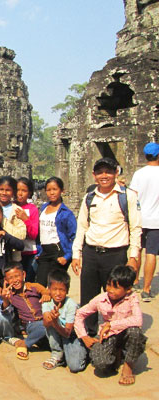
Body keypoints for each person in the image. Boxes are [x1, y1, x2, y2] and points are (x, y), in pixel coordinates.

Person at [72, 157, 142, 336]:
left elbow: (135, 228)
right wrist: (76, 254)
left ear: (116, 173)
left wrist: (133, 256)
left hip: (116, 254)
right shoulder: (89, 198)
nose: (104, 175)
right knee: (88, 298)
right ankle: (88, 336)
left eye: (108, 171)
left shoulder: (128, 196)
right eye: (100, 172)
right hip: (91, 253)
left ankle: (115, 337)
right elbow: (82, 227)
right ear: (94, 175)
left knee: (117, 299)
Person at [74, 265, 147, 386]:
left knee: (135, 332)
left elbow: (138, 320)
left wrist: (111, 324)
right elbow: (80, 314)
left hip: (126, 334)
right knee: (100, 364)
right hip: (109, 336)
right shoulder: (101, 299)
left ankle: (128, 368)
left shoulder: (132, 298)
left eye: (116, 287)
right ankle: (117, 353)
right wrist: (83, 336)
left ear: (128, 289)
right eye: (108, 285)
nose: (110, 290)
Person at [129, 142, 159, 301]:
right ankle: (147, 289)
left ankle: (135, 281)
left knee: (137, 250)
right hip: (156, 221)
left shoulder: (139, 174)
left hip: (139, 218)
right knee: (151, 253)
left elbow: (133, 196)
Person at [2, 262, 50, 361]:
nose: (15, 280)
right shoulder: (10, 295)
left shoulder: (34, 286)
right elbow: (5, 309)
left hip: (43, 319)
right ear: (6, 280)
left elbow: (45, 291)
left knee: (49, 337)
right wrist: (5, 298)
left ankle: (34, 341)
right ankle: (25, 344)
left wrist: (46, 294)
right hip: (30, 324)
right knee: (44, 326)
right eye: (10, 278)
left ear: (23, 274)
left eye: (17, 276)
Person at [41, 269, 87, 372]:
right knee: (50, 325)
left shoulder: (71, 305)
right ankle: (57, 353)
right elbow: (45, 324)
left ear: (67, 290)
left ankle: (80, 351)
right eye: (54, 289)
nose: (58, 293)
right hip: (57, 332)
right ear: (49, 289)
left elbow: (67, 333)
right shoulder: (47, 302)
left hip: (71, 335)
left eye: (62, 290)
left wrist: (55, 321)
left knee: (75, 366)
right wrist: (52, 320)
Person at [36, 177, 77, 287]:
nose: (51, 193)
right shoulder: (43, 208)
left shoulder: (66, 213)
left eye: (55, 189)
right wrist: (39, 252)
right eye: (48, 190)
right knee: (40, 285)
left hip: (58, 251)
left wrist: (67, 256)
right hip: (44, 251)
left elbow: (74, 236)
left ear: (62, 191)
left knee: (55, 286)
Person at [0, 176, 27, 261]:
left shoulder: (17, 211)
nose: (4, 193)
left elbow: (21, 235)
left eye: (8, 190)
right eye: (1, 189)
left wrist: (3, 220)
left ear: (13, 192)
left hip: (12, 256)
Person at [16, 177, 39, 282]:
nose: (20, 193)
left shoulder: (32, 209)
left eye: (24, 191)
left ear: (29, 193)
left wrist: (26, 219)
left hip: (29, 252)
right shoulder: (11, 207)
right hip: (14, 253)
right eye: (17, 190)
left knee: (29, 281)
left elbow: (34, 234)